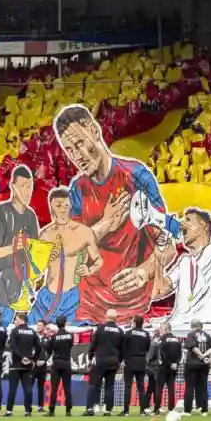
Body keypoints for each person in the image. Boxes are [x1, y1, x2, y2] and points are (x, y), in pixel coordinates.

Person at [53, 104, 180, 324]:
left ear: (94, 130)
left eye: (79, 143)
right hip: (87, 308)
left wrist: (144, 272)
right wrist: (106, 224)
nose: (77, 156)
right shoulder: (77, 189)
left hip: (133, 306)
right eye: (69, 150)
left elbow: (167, 245)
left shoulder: (135, 176)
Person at [0, 166, 40, 324]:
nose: (26, 191)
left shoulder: (31, 216)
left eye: (29, 186)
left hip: (12, 293)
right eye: (22, 186)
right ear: (13, 186)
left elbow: (33, 252)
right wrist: (14, 247)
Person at [29, 186, 102, 326]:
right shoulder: (45, 235)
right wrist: (45, 259)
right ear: (51, 207)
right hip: (47, 298)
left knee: (70, 333)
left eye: (66, 205)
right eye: (58, 206)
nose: (63, 210)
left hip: (71, 298)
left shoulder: (84, 232)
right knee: (31, 330)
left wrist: (89, 270)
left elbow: (98, 260)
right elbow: (35, 271)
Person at [157, 209, 211, 329]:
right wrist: (159, 257)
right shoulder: (184, 263)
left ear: (203, 227)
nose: (182, 224)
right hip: (180, 326)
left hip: (207, 325)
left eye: (188, 219)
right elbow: (159, 289)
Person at [85, 308, 123, 415]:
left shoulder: (100, 329)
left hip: (100, 360)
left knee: (94, 384)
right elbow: (122, 349)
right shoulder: (120, 331)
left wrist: (90, 358)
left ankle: (90, 408)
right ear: (116, 318)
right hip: (113, 361)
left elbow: (93, 345)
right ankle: (108, 410)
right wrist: (118, 360)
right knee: (110, 386)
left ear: (106, 316)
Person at [6, 311, 41, 416]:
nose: (15, 322)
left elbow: (13, 346)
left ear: (21, 320)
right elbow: (39, 347)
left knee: (12, 389)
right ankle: (28, 411)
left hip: (16, 365)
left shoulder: (14, 331)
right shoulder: (32, 332)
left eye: (16, 319)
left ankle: (9, 411)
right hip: (27, 366)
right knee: (28, 389)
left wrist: (21, 357)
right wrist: (33, 359)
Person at [121, 314, 151, 416]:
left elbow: (123, 348)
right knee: (141, 387)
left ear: (134, 322)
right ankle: (142, 411)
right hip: (141, 361)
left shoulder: (128, 333)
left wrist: (124, 358)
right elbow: (148, 348)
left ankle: (126, 411)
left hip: (130, 361)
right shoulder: (146, 334)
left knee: (128, 386)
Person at [184, 319, 211, 417]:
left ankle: (187, 410)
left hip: (192, 363)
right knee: (203, 387)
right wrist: (205, 356)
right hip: (204, 365)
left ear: (191, 326)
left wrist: (201, 355)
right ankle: (204, 410)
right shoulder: (207, 335)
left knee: (190, 387)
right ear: (201, 325)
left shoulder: (191, 334)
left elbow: (193, 347)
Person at [46, 314, 74, 417]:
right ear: (65, 323)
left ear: (57, 324)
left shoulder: (54, 337)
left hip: (57, 363)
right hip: (66, 363)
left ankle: (51, 410)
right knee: (67, 388)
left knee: (54, 388)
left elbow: (49, 351)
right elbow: (70, 346)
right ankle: (68, 411)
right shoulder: (70, 335)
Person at [155, 322, 183, 414]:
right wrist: (176, 364)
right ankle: (171, 408)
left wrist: (169, 364)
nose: (160, 330)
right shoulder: (177, 340)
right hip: (174, 368)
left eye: (161, 328)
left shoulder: (162, 340)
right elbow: (180, 354)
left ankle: (157, 409)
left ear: (167, 329)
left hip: (164, 367)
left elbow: (162, 355)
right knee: (171, 389)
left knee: (159, 388)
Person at [32, 321, 48, 412]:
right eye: (37, 325)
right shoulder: (32, 337)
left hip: (43, 366)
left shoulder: (47, 339)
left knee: (41, 387)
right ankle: (28, 406)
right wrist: (34, 360)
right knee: (29, 386)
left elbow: (50, 352)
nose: (38, 327)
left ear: (44, 327)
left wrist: (44, 361)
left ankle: (40, 406)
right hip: (33, 365)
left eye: (40, 325)